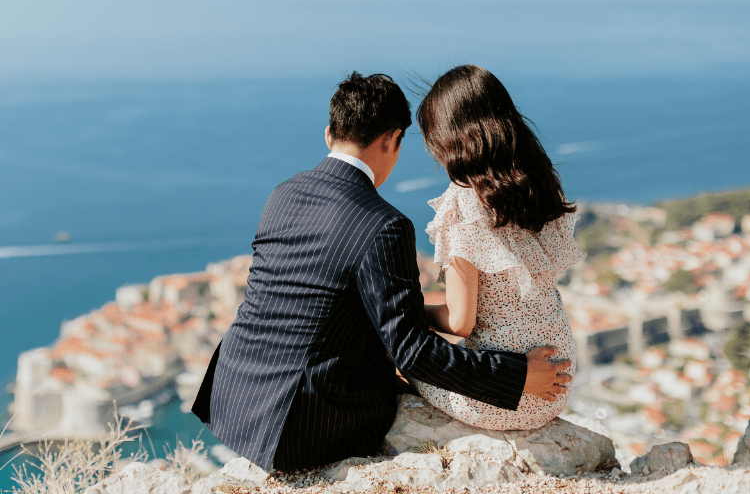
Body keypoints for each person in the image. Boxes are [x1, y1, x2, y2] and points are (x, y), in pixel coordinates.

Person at [192, 72, 572, 471]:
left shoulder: (283, 193)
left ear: (328, 135)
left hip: (232, 394)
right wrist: (516, 377)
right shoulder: (383, 224)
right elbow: (413, 351)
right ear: (392, 140)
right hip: (298, 427)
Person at [411, 64, 585, 430]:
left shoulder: (463, 206)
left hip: (504, 389)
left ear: (450, 139)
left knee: (402, 361)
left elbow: (460, 322)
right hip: (557, 378)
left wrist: (411, 308)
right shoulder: (535, 182)